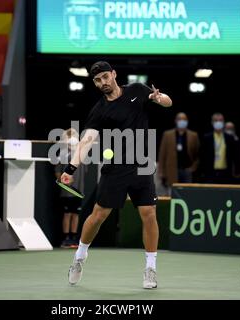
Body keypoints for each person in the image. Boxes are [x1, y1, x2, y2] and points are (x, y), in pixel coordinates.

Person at [60, 61, 172, 289]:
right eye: (97, 80)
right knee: (99, 215)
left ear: (114, 74)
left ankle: (150, 268)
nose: (103, 83)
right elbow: (86, 141)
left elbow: (168, 102)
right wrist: (70, 168)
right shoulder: (99, 110)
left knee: (149, 213)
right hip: (116, 168)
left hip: (141, 166)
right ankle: (79, 257)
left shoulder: (138, 90)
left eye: (105, 77)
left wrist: (158, 98)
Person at [55, 128, 85, 249]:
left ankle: (73, 238)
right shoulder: (62, 154)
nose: (72, 138)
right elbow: (57, 172)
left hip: (79, 190)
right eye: (69, 136)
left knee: (75, 214)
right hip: (66, 192)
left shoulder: (81, 154)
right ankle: (66, 239)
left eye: (74, 136)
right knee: (67, 214)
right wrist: (65, 181)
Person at [158, 112, 199, 190]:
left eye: (184, 119)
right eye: (179, 119)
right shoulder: (167, 135)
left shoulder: (193, 135)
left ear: (187, 121)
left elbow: (197, 155)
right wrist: (161, 172)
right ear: (175, 121)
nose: (182, 121)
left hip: (187, 170)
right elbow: (162, 154)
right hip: (172, 170)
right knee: (173, 194)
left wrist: (193, 168)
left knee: (187, 193)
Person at [201, 113, 240, 184]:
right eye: (216, 120)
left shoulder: (229, 138)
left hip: (225, 173)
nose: (218, 122)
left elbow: (236, 156)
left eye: (220, 120)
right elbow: (202, 156)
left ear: (223, 123)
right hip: (210, 173)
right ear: (212, 123)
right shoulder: (206, 138)